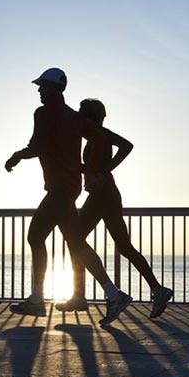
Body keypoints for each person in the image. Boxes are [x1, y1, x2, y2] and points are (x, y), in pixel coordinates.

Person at [4, 68, 133, 325]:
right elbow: (99, 139)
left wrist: (17, 156)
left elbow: (38, 146)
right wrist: (90, 170)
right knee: (75, 242)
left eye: (42, 86)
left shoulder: (43, 112)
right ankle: (113, 294)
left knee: (35, 236)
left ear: (53, 88)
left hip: (59, 189)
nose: (39, 90)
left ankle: (37, 300)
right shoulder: (74, 117)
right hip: (70, 188)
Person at [66, 98, 174, 320]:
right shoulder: (98, 135)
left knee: (75, 239)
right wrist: (93, 170)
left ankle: (90, 295)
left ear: (91, 117)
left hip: (103, 196)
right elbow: (119, 150)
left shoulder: (99, 134)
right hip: (105, 195)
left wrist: (104, 170)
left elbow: (126, 146)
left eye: (82, 113)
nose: (79, 117)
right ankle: (156, 289)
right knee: (121, 246)